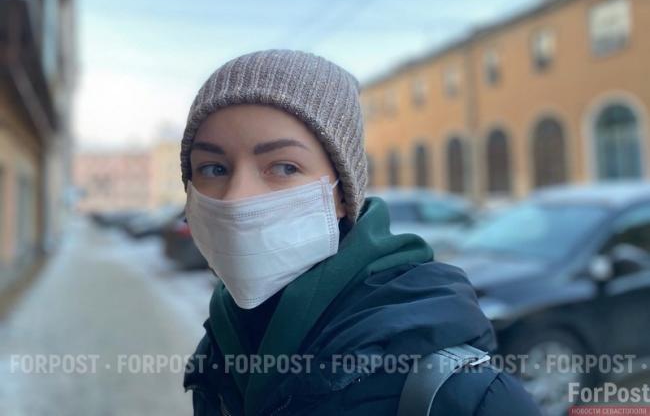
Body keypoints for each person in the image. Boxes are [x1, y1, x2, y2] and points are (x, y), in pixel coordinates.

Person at [180, 49, 541, 415]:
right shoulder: (220, 352)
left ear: (342, 193)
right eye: (213, 168)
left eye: (285, 167)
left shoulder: (462, 393)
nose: (237, 197)